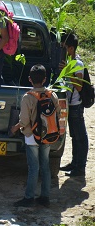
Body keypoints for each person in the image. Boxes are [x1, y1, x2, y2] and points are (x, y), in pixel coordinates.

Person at [11, 64, 60, 208]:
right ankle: (45, 197)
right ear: (45, 79)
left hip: (32, 136)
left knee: (34, 167)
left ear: (29, 80)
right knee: (45, 166)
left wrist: (15, 127)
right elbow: (58, 114)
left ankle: (29, 197)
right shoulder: (53, 95)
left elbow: (24, 120)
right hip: (48, 136)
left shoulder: (28, 97)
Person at [59, 33, 88, 177]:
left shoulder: (77, 63)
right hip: (70, 105)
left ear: (71, 48)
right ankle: (74, 163)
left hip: (76, 105)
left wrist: (67, 71)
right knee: (74, 136)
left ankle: (80, 167)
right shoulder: (69, 60)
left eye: (64, 47)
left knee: (80, 137)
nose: (62, 49)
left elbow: (80, 86)